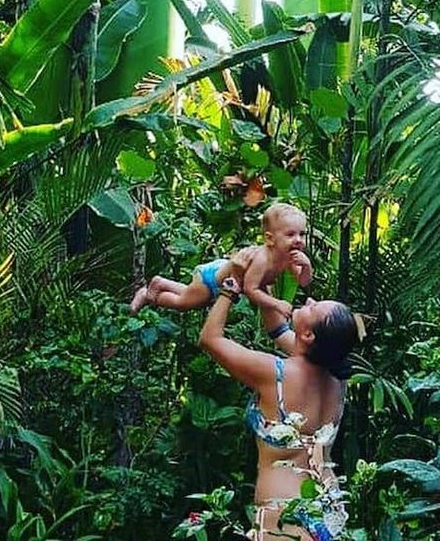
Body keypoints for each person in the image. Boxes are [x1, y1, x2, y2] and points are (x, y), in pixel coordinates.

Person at [198, 271, 359, 540]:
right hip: (328, 508)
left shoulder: (275, 373)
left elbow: (210, 339)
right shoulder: (335, 376)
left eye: (313, 307)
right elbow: (279, 331)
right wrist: (260, 286)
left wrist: (229, 291)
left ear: (308, 335)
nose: (309, 300)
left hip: (285, 515)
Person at [130, 202, 312, 336]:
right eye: (290, 234)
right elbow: (251, 289)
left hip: (224, 275)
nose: (298, 240)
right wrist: (276, 304)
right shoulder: (263, 259)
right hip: (212, 279)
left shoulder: (290, 257)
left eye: (302, 234)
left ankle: (161, 283)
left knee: (190, 294)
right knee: (184, 303)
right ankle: (147, 294)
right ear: (270, 239)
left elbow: (303, 281)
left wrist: (306, 266)